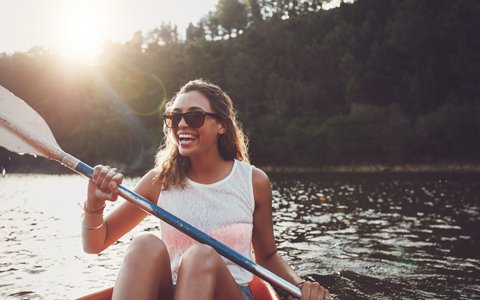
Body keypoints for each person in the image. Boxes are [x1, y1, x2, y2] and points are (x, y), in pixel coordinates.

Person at [81, 79, 330, 300]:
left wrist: (300, 285)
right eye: (175, 118)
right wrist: (94, 204)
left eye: (194, 117)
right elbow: (96, 244)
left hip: (230, 292)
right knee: (144, 244)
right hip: (175, 292)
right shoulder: (159, 181)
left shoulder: (253, 182)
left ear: (221, 125)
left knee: (201, 256)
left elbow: (267, 256)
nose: (181, 125)